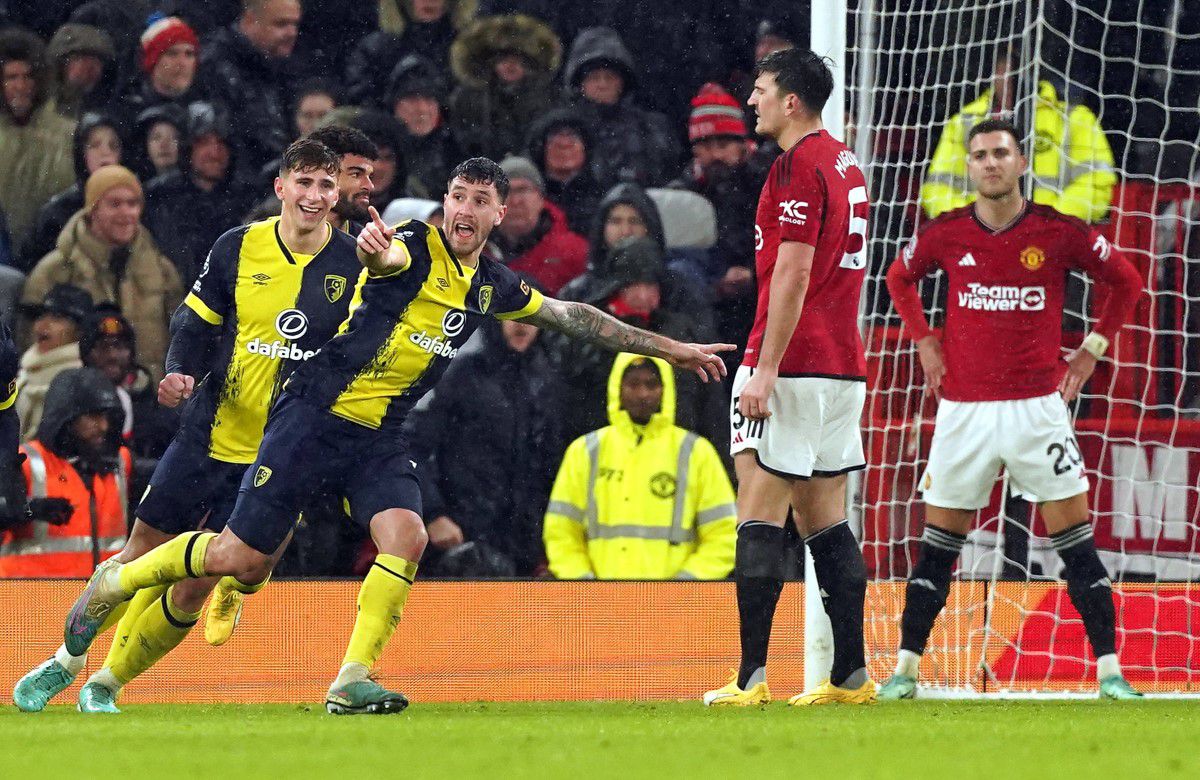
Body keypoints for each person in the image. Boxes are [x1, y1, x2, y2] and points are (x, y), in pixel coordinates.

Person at [60, 157, 732, 716]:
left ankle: (350, 678)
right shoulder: (411, 246)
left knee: (405, 536)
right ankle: (119, 583)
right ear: (445, 204)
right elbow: (381, 261)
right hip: (313, 417)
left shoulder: (490, 286)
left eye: (482, 200)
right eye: (459, 196)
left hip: (378, 434)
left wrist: (670, 348)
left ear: (500, 215)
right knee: (237, 557)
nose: (467, 209)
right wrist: (376, 255)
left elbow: (574, 315)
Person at [11, 138, 366, 714]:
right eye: (304, 182)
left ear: (337, 193)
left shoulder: (354, 265)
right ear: (281, 188)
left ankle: (106, 684)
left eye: (327, 185)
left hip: (279, 452)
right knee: (141, 552)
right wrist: (178, 371)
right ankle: (63, 663)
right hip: (209, 434)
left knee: (196, 584)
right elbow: (195, 324)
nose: (315, 195)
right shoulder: (237, 248)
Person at [879, 118, 1144, 701]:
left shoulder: (1058, 231)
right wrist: (924, 338)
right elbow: (899, 278)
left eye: (1001, 153)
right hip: (964, 413)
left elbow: (1125, 281)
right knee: (937, 547)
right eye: (979, 155)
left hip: (1036, 410)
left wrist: (1093, 349)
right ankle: (905, 670)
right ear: (969, 167)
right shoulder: (945, 234)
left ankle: (1110, 673)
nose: (990, 163)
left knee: (1076, 543)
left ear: (1022, 163)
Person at [704, 49, 874, 708]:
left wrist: (765, 370)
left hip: (792, 362)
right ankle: (852, 678)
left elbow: (797, 271)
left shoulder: (798, 167)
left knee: (759, 510)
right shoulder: (845, 160)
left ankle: (749, 679)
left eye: (763, 90)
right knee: (825, 520)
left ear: (793, 101)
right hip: (841, 366)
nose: (753, 101)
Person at [407, 297, 564, 577]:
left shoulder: (549, 381)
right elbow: (412, 447)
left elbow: (555, 467)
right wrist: (432, 514)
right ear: (495, 320)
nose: (522, 325)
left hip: (524, 546)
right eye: (513, 314)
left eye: (533, 318)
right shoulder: (464, 375)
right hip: (463, 538)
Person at [544, 353, 735, 580]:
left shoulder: (696, 453)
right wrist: (585, 586)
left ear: (665, 389)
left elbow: (723, 535)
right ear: (617, 387)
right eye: (633, 384)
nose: (642, 393)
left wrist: (684, 589)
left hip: (674, 609)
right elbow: (561, 532)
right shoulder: (585, 451)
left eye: (651, 384)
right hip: (599, 607)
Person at [22, 165, 183, 382]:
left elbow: (181, 341)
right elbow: (28, 345)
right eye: (114, 204)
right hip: (76, 402)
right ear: (92, 210)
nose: (126, 213)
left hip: (150, 400)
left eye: (133, 203)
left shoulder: (162, 270)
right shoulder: (53, 271)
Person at [920, 51, 1116, 223]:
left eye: (1016, 75)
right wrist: (974, 226)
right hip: (978, 245)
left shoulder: (1075, 119)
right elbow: (937, 190)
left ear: (1034, 74)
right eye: (1002, 73)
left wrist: (1048, 225)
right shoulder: (964, 122)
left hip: (1054, 244)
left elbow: (1095, 188)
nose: (1008, 83)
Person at [0, 366, 131, 578]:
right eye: (92, 416)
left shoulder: (121, 463)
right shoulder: (25, 461)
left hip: (99, 603)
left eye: (106, 416)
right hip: (27, 602)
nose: (103, 426)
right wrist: (30, 510)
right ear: (65, 419)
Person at [143, 101, 258, 281]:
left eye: (221, 143)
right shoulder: (158, 198)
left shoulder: (249, 200)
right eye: (204, 142)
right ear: (188, 148)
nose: (214, 152)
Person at [561, 27, 679, 191]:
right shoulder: (561, 128)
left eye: (609, 77)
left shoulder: (652, 129)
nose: (602, 84)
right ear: (580, 84)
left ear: (622, 83)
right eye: (594, 77)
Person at [201, 0, 302, 183]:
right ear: (249, 20)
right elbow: (237, 133)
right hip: (236, 187)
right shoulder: (217, 65)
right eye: (281, 24)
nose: (291, 32)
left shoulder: (281, 65)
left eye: (295, 24)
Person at [0, 28, 76, 254]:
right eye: (11, 78)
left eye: (28, 77)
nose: (20, 86)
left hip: (53, 246)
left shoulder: (68, 134)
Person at [447, 14, 562, 162]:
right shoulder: (467, 98)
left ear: (531, 64)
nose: (511, 64)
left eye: (519, 59)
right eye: (503, 58)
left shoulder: (549, 97)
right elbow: (461, 142)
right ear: (490, 62)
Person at [23, 110, 125, 271]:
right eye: (95, 145)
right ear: (81, 153)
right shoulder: (55, 213)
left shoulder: (134, 207)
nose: (105, 152)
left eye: (113, 146)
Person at [80, 306, 178, 460]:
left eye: (119, 346)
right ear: (86, 355)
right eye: (103, 347)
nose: (112, 355)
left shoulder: (157, 409)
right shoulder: (74, 408)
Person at [493, 155, 587, 296]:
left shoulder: (575, 252)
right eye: (506, 191)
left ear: (541, 198)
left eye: (523, 190)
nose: (516, 201)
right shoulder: (471, 249)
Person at [15, 284, 92, 441]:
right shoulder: (24, 372)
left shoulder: (80, 379)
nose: (42, 325)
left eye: (56, 318)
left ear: (79, 330)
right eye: (41, 316)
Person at [525, 109, 602, 236]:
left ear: (586, 148)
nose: (564, 144)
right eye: (555, 140)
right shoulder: (528, 194)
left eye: (572, 138)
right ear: (541, 149)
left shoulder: (601, 194)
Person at [122, 15, 205, 118]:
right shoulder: (126, 111)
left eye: (189, 54)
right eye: (172, 53)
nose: (182, 63)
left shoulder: (208, 113)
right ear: (152, 61)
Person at [44, 23, 118, 120]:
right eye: (79, 58)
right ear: (61, 63)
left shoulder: (105, 107)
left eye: (98, 60)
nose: (91, 66)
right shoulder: (38, 103)